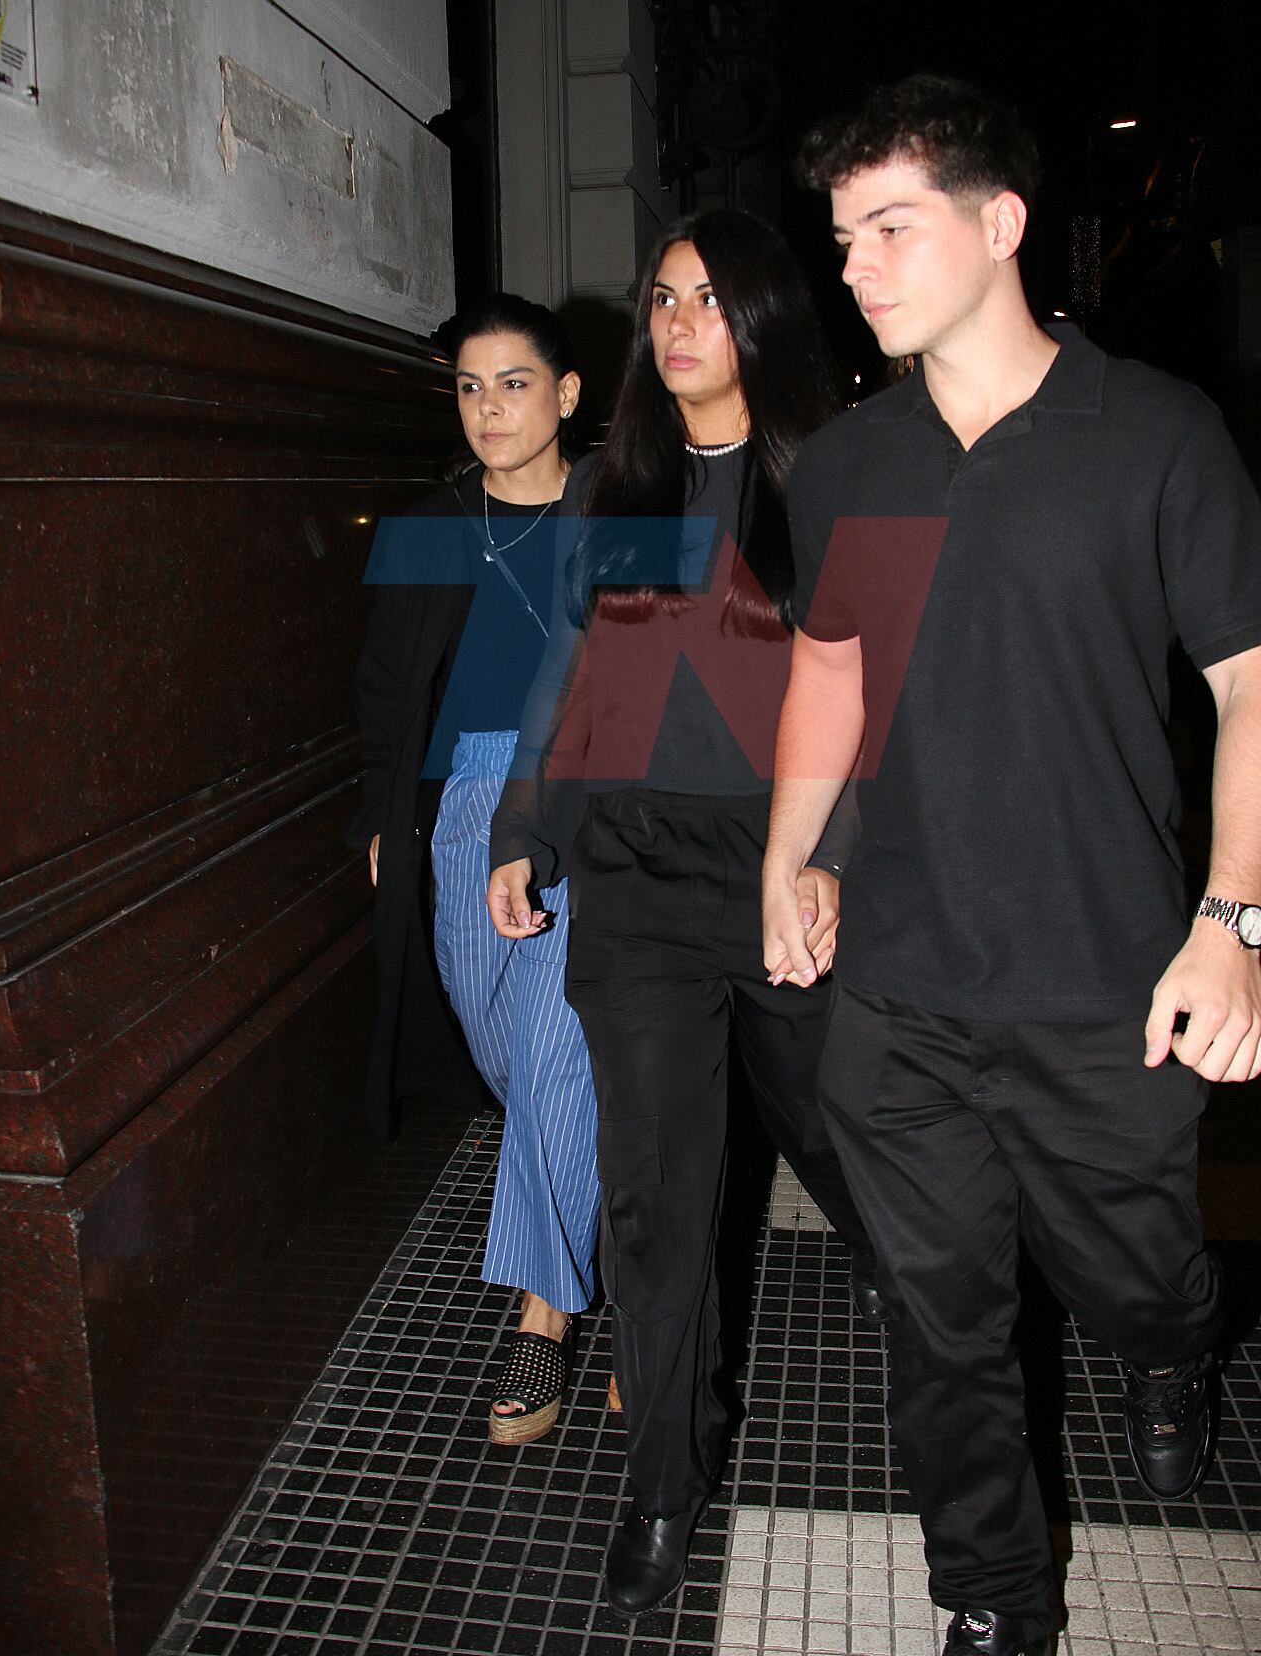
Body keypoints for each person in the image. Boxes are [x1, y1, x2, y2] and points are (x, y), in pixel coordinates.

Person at [762, 74, 1261, 1656]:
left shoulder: (1157, 436)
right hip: (903, 992)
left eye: (891, 226)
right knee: (940, 1320)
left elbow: (1251, 686)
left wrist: (1235, 920)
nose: (858, 266)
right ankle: (993, 1601)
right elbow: (832, 675)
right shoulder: (847, 466)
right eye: (844, 239)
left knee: (1138, 1279)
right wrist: (797, 859)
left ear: (1001, 225)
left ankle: (1172, 1351)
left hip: (1107, 980)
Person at [486, 210, 878, 1617]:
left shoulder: (838, 479)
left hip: (781, 873)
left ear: (765, 318)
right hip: (642, 880)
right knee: (655, 1201)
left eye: (709, 299)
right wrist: (523, 826)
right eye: (663, 297)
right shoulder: (617, 486)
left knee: (851, 1140)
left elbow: (876, 700)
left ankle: (945, 1301)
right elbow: (561, 678)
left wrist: (832, 856)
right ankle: (662, 1478)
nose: (676, 321)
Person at [350, 294, 599, 1445]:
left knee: (555, 1046)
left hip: (585, 800)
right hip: (458, 803)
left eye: (511, 383)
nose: (488, 408)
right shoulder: (426, 523)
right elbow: (383, 693)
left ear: (565, 395)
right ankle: (624, 1219)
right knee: (500, 1043)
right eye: (467, 386)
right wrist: (377, 818)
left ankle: (542, 1324)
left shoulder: (623, 510)